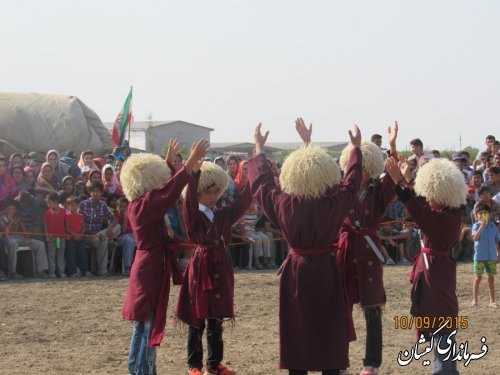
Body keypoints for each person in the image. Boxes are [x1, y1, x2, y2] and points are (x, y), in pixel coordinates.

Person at [247, 119, 363, 375]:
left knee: (297, 333)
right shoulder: (332, 204)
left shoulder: (284, 204)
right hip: (326, 271)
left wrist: (259, 149)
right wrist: (355, 149)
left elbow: (262, 185)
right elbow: (350, 183)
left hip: (296, 273)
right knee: (328, 332)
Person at [122, 139, 209, 375]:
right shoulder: (145, 205)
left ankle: (138, 370)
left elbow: (163, 188)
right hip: (151, 268)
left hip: (147, 266)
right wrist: (187, 164)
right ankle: (143, 371)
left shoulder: (138, 204)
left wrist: (170, 164)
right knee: (149, 324)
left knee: (143, 324)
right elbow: (168, 191)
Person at [385, 155, 467, 375]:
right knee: (443, 332)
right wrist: (408, 181)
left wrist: (400, 183)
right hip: (437, 273)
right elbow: (421, 204)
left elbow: (418, 209)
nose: (427, 197)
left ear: (441, 195)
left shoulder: (443, 219)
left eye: (431, 193)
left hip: (435, 276)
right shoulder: (450, 213)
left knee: (441, 330)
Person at [175, 155, 252, 375]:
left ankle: (214, 364)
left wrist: (254, 178)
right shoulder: (192, 214)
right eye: (209, 191)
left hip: (220, 266)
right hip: (201, 266)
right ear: (199, 192)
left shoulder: (222, 213)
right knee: (197, 318)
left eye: (217, 191)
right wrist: (195, 174)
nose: (214, 196)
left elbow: (243, 203)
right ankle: (194, 366)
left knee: (216, 318)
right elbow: (189, 199)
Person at [337, 122, 399, 375]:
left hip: (369, 253)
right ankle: (339, 361)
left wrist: (393, 146)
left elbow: (395, 175)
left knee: (373, 310)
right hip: (345, 250)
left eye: (364, 165)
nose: (360, 170)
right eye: (356, 163)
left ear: (371, 168)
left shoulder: (379, 191)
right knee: (341, 309)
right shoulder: (342, 191)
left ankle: (371, 364)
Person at [1, 199, 49, 279]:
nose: (11, 211)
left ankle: (41, 271)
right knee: (13, 243)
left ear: (16, 210)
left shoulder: (18, 218)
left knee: (40, 244)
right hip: (7, 238)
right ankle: (12, 272)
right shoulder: (2, 218)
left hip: (19, 238)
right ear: (6, 209)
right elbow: (6, 233)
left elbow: (24, 231)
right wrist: (10, 222)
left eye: (13, 209)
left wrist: (27, 238)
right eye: (9, 208)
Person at [80, 181, 118, 276]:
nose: (96, 193)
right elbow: (79, 222)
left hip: (99, 235)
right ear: (90, 192)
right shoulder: (83, 204)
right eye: (93, 191)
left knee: (117, 227)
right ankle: (102, 271)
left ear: (101, 193)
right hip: (87, 236)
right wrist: (90, 233)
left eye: (98, 191)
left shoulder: (103, 205)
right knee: (104, 240)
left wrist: (110, 227)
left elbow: (115, 219)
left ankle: (102, 271)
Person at [471, 204, 500, 308]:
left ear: (489, 214)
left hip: (491, 256)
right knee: (478, 278)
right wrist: (482, 226)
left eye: (485, 213)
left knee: (491, 278)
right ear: (476, 216)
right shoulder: (475, 226)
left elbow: (497, 240)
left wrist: (498, 253)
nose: (483, 215)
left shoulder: (494, 227)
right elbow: (474, 238)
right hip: (479, 257)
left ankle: (492, 301)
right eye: (480, 213)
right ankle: (475, 300)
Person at [65, 196, 91, 277]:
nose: (73, 207)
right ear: (68, 206)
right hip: (71, 239)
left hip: (80, 239)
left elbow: (83, 227)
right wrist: (75, 235)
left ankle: (85, 270)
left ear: (78, 206)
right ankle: (73, 271)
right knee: (71, 255)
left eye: (75, 205)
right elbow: (67, 227)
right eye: (71, 205)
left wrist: (81, 234)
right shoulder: (67, 216)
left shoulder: (81, 216)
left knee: (82, 254)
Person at [44, 192, 67, 277]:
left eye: (49, 202)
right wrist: (47, 236)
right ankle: (52, 272)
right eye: (47, 202)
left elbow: (66, 224)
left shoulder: (64, 212)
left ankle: (61, 271)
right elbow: (45, 225)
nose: (48, 204)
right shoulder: (48, 213)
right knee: (51, 255)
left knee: (60, 255)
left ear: (56, 202)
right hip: (52, 238)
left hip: (61, 238)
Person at [116, 197, 136, 276]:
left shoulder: (132, 215)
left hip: (133, 236)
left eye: (125, 206)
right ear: (117, 207)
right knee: (129, 242)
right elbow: (123, 231)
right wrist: (125, 218)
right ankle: (127, 267)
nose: (123, 208)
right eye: (120, 206)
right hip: (121, 238)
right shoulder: (117, 216)